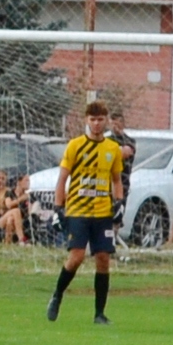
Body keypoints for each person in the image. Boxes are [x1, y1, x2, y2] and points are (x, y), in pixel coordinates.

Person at [49, 101, 124, 325]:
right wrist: (57, 208)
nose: (96, 123)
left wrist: (119, 202)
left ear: (106, 121)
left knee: (103, 259)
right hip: (78, 210)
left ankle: (99, 314)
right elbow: (62, 178)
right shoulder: (75, 146)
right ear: (86, 120)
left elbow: (116, 180)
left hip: (102, 212)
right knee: (77, 257)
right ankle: (57, 295)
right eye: (92, 119)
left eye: (100, 119)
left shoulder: (112, 149)